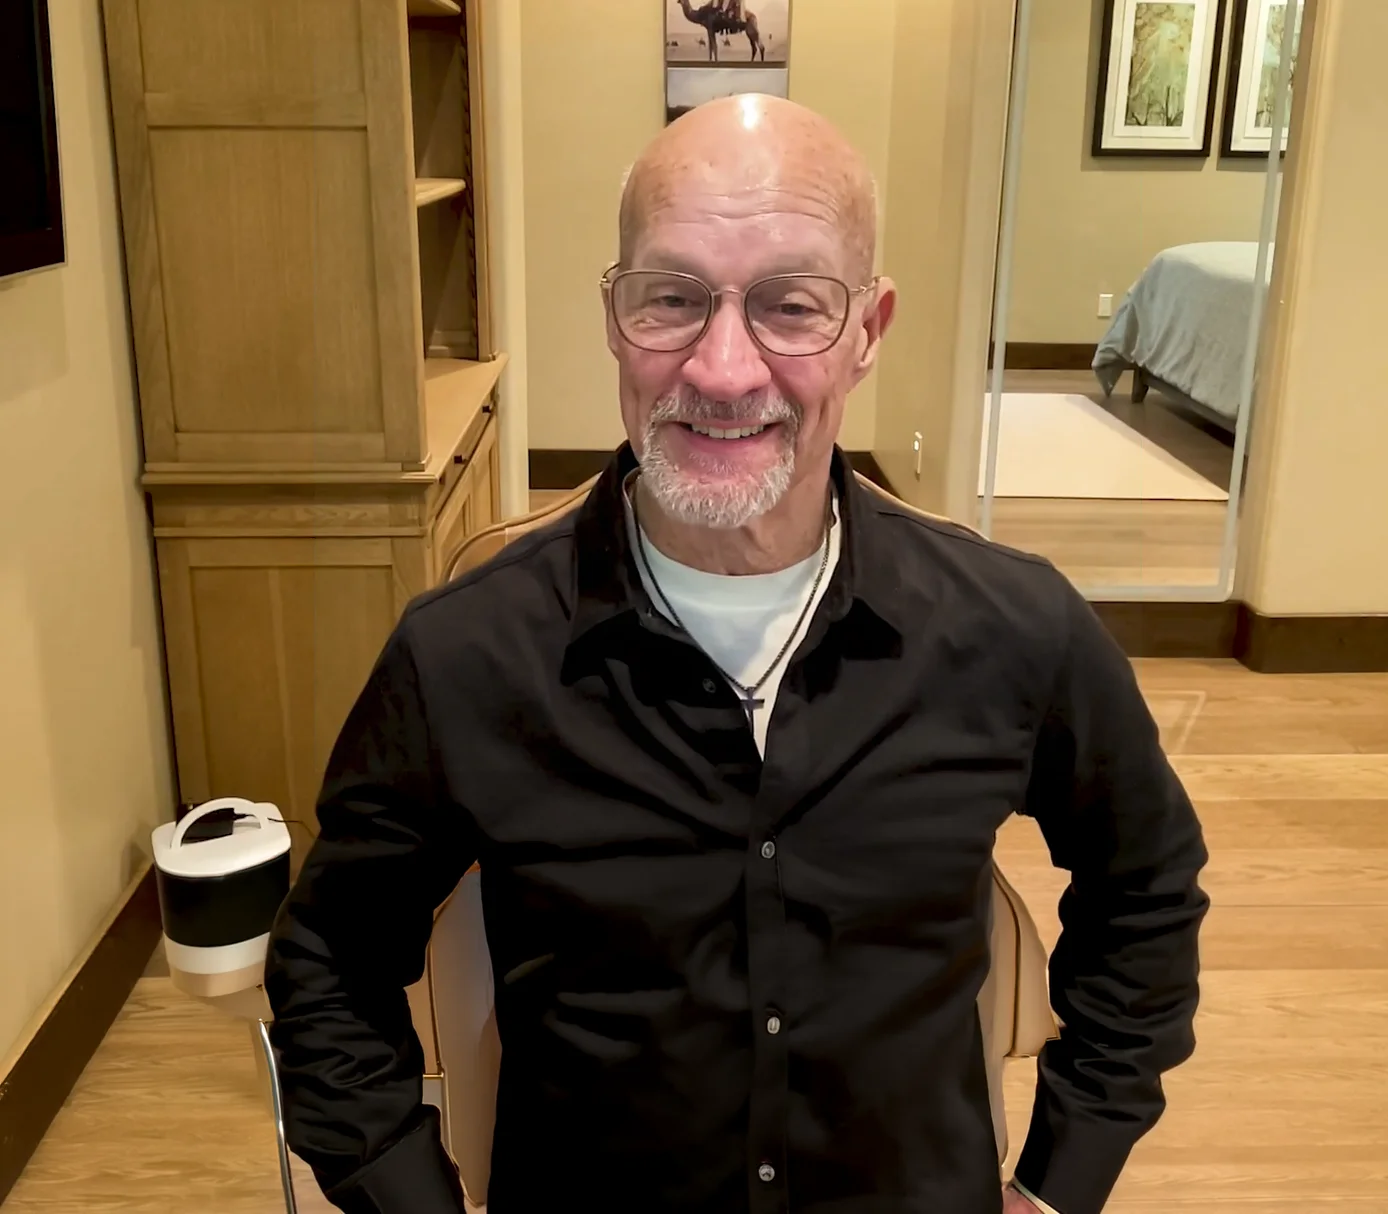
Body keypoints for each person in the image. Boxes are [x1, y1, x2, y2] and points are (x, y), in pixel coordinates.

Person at [264, 95, 1209, 1214]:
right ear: (614, 319)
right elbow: (327, 963)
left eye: (790, 306)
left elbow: (1143, 887)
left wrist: (1062, 1178)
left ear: (867, 329)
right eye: (671, 298)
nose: (720, 368)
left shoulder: (1014, 627)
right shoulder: (466, 654)